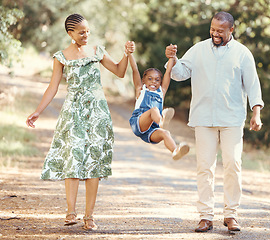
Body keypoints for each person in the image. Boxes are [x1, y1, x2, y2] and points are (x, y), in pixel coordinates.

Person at [26, 13, 134, 230]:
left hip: (97, 112)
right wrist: (38, 111)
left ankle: (89, 217)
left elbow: (120, 72)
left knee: (93, 161)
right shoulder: (61, 57)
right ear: (70, 33)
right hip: (73, 112)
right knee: (73, 158)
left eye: (88, 30)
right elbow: (53, 87)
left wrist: (127, 54)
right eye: (81, 32)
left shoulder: (97, 51)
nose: (86, 35)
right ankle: (70, 212)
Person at [165, 11, 264, 232]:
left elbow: (253, 85)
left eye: (220, 30)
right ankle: (205, 216)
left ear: (231, 30)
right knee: (205, 167)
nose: (215, 33)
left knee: (233, 165)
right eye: (212, 29)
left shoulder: (242, 53)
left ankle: (231, 215)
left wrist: (256, 113)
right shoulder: (199, 49)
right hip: (203, 118)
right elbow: (179, 74)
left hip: (232, 118)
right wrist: (173, 59)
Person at [128, 43, 189, 160]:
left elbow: (168, 72)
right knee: (154, 110)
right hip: (139, 123)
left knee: (165, 133)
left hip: (151, 130)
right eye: (150, 79)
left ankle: (175, 151)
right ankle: (161, 121)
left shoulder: (161, 92)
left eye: (157, 80)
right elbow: (134, 69)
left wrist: (172, 57)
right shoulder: (141, 90)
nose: (154, 82)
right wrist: (130, 54)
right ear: (143, 81)